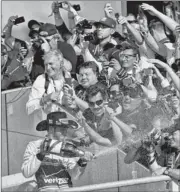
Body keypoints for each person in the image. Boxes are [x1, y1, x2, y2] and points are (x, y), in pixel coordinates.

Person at [21, 111, 94, 192]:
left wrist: (82, 162)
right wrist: (41, 154)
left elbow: (74, 176)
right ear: (52, 129)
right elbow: (26, 172)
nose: (65, 132)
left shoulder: (69, 147)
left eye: (66, 128)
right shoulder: (34, 146)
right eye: (62, 129)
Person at [77, 83, 132, 147]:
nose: (95, 106)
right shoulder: (88, 113)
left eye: (99, 102)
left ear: (105, 100)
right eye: (91, 103)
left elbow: (118, 142)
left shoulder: (115, 110)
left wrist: (112, 118)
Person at [26, 49, 66, 115]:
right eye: (46, 65)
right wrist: (44, 100)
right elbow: (28, 109)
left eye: (51, 64)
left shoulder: (70, 79)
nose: (47, 68)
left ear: (61, 63)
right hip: (48, 122)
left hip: (67, 122)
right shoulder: (41, 80)